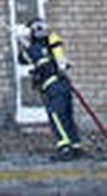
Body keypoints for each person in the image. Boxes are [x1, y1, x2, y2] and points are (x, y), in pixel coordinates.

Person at [17, 17, 84, 160]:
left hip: (53, 87)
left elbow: (29, 58)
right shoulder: (48, 45)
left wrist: (26, 44)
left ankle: (65, 147)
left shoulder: (35, 48)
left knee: (56, 117)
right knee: (67, 116)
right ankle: (76, 145)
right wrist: (24, 45)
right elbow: (22, 59)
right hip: (64, 85)